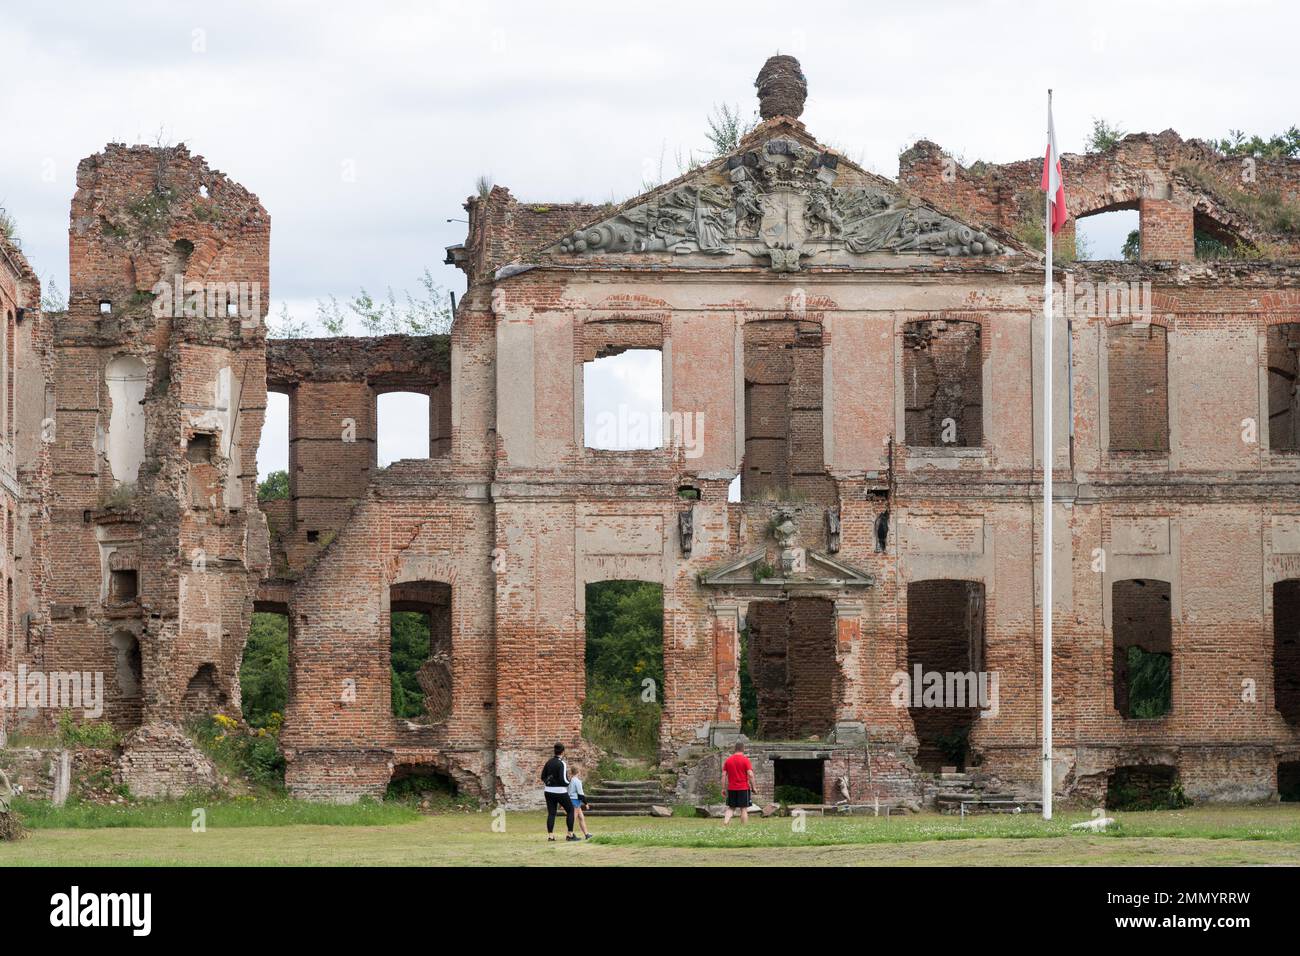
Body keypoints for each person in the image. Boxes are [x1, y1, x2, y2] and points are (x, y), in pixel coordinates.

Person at [540, 742, 578, 841]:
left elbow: (543, 777)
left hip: (548, 791)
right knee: (570, 810)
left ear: (555, 751)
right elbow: (564, 780)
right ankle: (570, 834)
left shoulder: (548, 762)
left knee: (551, 813)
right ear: (563, 752)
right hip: (560, 791)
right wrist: (569, 782)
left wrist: (549, 782)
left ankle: (550, 836)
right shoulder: (562, 763)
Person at [722, 741, 757, 825]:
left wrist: (723, 788)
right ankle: (743, 827)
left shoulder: (728, 760)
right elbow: (750, 774)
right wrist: (754, 787)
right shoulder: (745, 760)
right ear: (743, 749)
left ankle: (725, 822)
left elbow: (723, 775)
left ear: (735, 749)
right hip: (743, 788)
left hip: (731, 788)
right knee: (743, 809)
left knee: (731, 808)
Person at [567, 763, 592, 840]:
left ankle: (586, 834)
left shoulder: (570, 780)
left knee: (581, 817)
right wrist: (586, 803)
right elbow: (580, 794)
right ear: (578, 771)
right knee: (572, 819)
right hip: (575, 801)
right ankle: (569, 835)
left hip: (572, 800)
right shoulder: (577, 781)